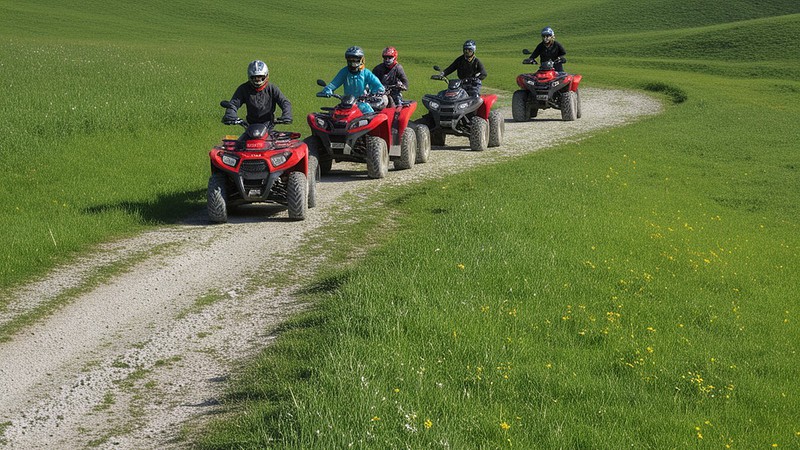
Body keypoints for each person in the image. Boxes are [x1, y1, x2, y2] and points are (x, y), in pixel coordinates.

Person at [223, 60, 292, 127]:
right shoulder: (244, 88)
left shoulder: (272, 88)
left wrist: (286, 115)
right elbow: (233, 104)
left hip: (269, 125)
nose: (258, 80)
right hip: (249, 125)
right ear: (249, 76)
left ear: (266, 76)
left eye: (260, 77)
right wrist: (230, 115)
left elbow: (284, 102)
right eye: (254, 77)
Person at [318, 46, 386, 113]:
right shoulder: (344, 71)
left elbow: (378, 85)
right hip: (347, 103)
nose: (353, 63)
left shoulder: (366, 73)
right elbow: (334, 83)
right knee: (334, 114)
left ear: (362, 60)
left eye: (356, 60)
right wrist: (328, 90)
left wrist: (376, 92)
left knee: (369, 115)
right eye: (350, 60)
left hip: (362, 103)